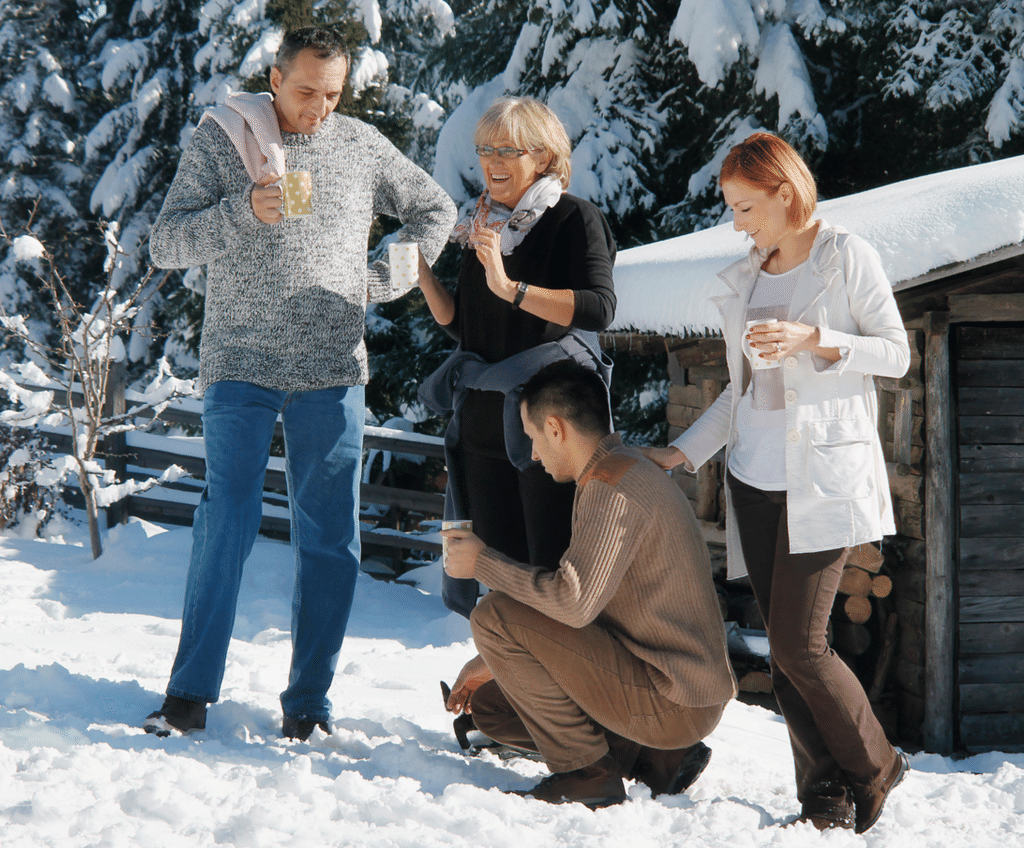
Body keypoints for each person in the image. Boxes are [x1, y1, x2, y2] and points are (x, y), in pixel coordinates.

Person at [142, 25, 456, 741]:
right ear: (275, 78)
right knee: (226, 522)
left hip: (332, 367)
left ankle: (309, 705)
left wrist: (386, 276)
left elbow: (434, 209)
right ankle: (189, 693)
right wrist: (242, 212)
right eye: (308, 90)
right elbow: (166, 243)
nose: (319, 107)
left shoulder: (358, 144)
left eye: (334, 94)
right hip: (240, 361)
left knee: (332, 541)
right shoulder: (225, 140)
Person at [641, 132, 911, 832]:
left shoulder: (845, 257)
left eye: (745, 207)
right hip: (753, 480)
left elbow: (896, 353)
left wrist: (815, 340)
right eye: (732, 209)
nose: (737, 223)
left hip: (823, 479)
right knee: (784, 645)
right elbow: (739, 389)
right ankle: (822, 791)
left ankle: (878, 766)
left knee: (800, 643)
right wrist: (686, 452)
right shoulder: (748, 276)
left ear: (785, 194)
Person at [441, 361, 735, 808]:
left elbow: (574, 603)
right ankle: (648, 756)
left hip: (674, 698)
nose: (534, 454)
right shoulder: (624, 468)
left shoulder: (609, 486)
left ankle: (587, 773)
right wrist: (492, 661)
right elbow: (591, 603)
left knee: (493, 614)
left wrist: (482, 562)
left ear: (556, 428)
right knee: (494, 709)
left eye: (533, 437)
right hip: (673, 686)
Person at [417, 96, 616, 619]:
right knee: (499, 581)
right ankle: (506, 697)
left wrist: (511, 288)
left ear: (545, 157)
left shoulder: (574, 218)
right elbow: (467, 327)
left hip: (549, 430)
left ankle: (556, 699)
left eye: (507, 149)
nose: (492, 161)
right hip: (484, 425)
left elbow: (598, 309)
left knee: (547, 577)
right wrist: (421, 275)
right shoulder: (483, 223)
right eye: (485, 148)